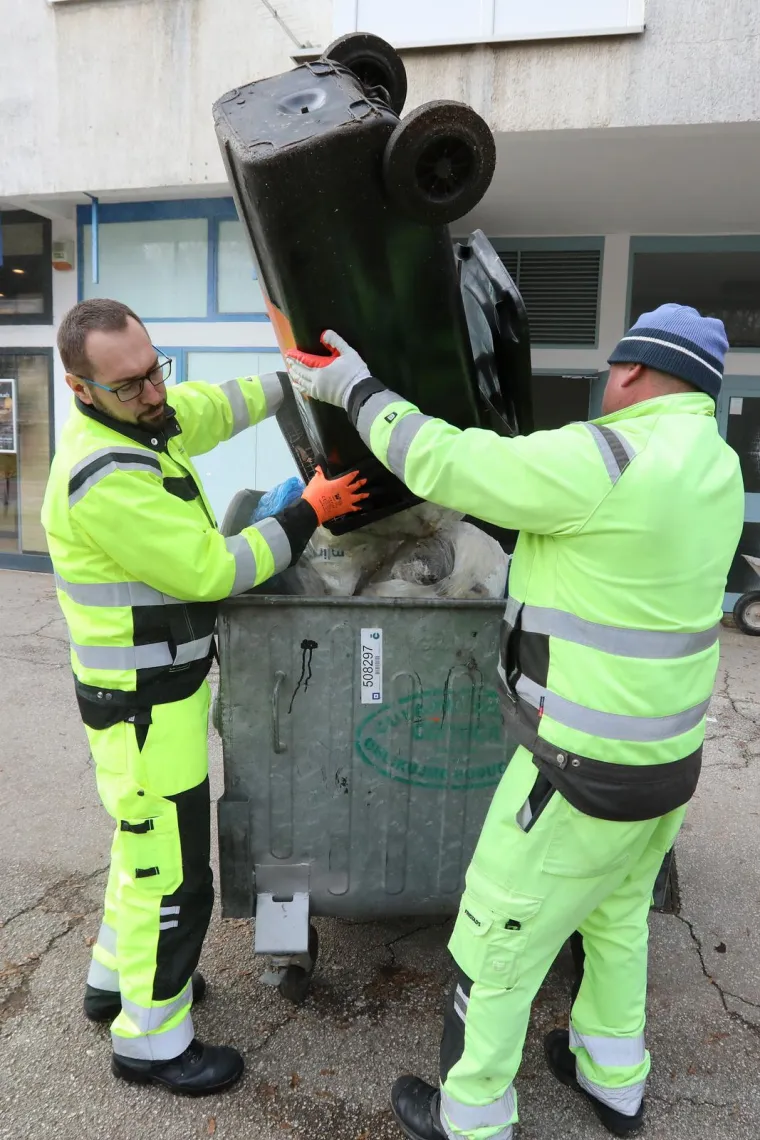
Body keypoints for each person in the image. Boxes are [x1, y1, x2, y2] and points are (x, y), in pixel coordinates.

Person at [286, 304, 744, 1139]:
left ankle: (472, 1116)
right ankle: (615, 1078)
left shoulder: (605, 457)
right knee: (614, 920)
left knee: (495, 938)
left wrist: (351, 385)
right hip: (666, 765)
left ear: (634, 372)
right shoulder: (715, 462)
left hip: (577, 771)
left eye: (616, 367)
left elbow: (447, 461)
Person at [41, 298, 366, 1095]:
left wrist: (294, 379)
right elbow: (212, 572)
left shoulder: (143, 417)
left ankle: (114, 980)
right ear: (82, 389)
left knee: (138, 847)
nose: (154, 393)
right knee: (175, 878)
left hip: (158, 697)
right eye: (130, 385)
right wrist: (309, 511)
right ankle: (152, 1042)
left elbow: (216, 407)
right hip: (141, 706)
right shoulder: (104, 475)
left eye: (156, 370)